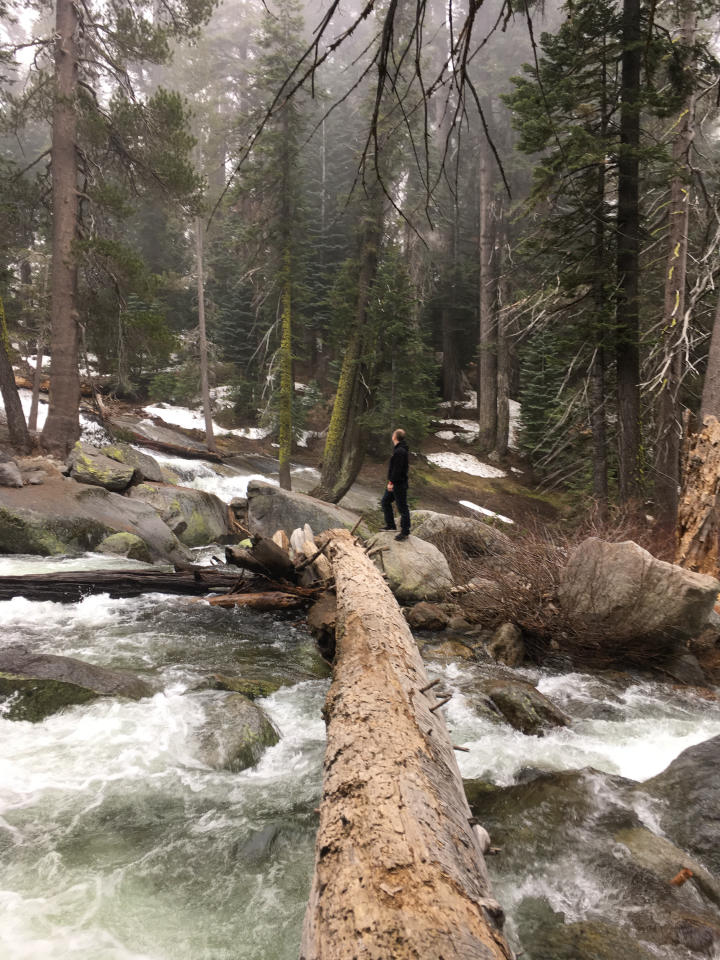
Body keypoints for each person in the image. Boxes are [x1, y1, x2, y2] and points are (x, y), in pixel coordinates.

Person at [381, 428, 410, 541]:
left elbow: (397, 470)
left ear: (395, 437)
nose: (392, 435)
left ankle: (405, 532)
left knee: (403, 508)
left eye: (393, 433)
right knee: (385, 501)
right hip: (396, 483)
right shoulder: (399, 449)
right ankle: (391, 525)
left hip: (398, 485)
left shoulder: (400, 451)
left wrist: (391, 482)